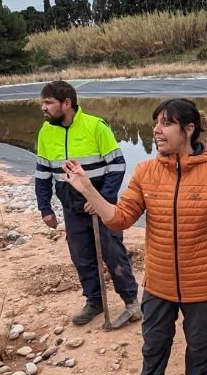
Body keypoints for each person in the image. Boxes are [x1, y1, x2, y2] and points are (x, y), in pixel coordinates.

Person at [65, 98, 207, 375]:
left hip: (201, 280)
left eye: (165, 123)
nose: (157, 130)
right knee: (154, 340)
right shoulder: (145, 172)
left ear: (188, 129)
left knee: (200, 343)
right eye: (156, 123)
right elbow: (119, 219)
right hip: (159, 280)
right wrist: (89, 189)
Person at [35, 80, 141, 326]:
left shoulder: (96, 126)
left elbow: (117, 166)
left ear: (67, 103)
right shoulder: (45, 132)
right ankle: (94, 301)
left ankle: (131, 300)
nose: (44, 107)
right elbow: (42, 172)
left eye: (49, 102)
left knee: (113, 252)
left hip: (102, 206)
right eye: (44, 102)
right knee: (81, 256)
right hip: (71, 207)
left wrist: (101, 198)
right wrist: (45, 208)